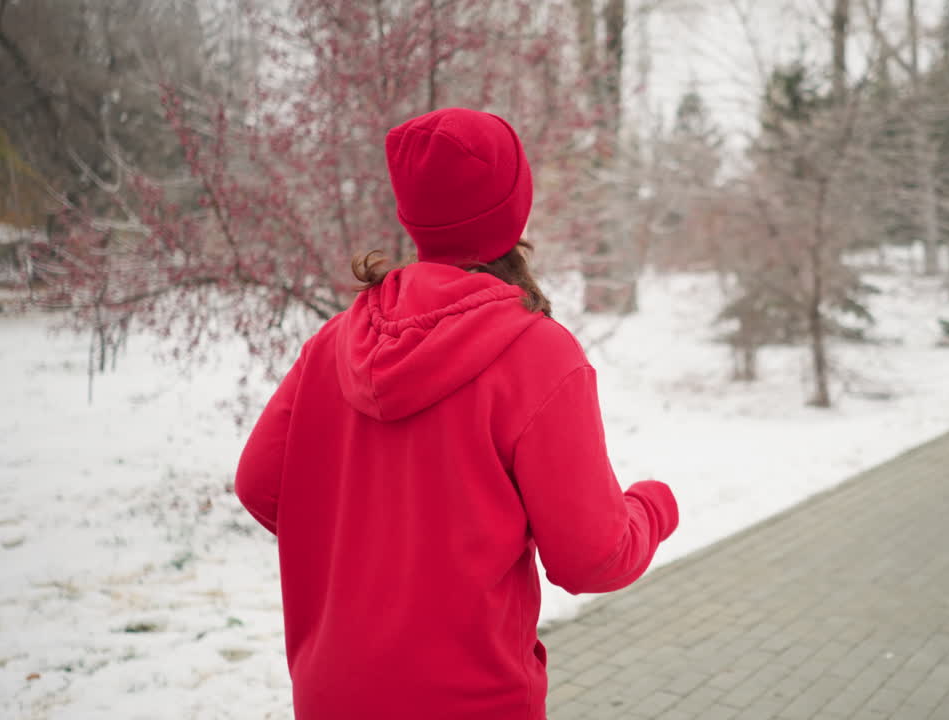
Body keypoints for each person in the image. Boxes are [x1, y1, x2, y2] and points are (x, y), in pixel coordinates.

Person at [234, 107, 679, 720]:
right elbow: (592, 557)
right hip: (472, 701)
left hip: (334, 696)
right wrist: (653, 506)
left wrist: (369, 552)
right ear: (514, 208)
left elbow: (260, 485)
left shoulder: (334, 342)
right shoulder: (538, 353)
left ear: (411, 212)